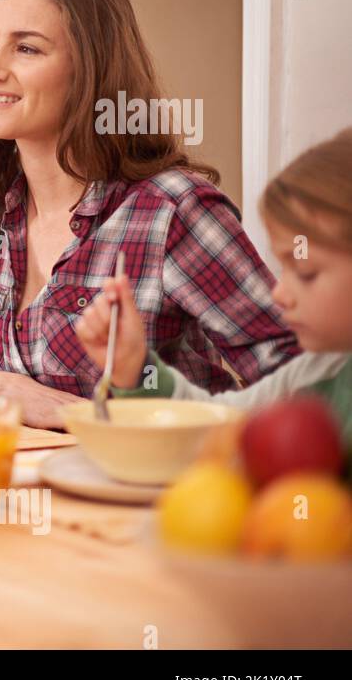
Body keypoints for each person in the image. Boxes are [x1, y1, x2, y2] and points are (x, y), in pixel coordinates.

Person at [0, 0, 299, 428]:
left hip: (156, 495)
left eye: (27, 50)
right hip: (19, 496)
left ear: (89, 72)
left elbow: (299, 382)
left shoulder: (172, 212)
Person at [76, 129, 352, 468]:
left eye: (306, 273)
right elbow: (210, 428)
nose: (280, 293)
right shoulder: (309, 376)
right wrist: (137, 369)